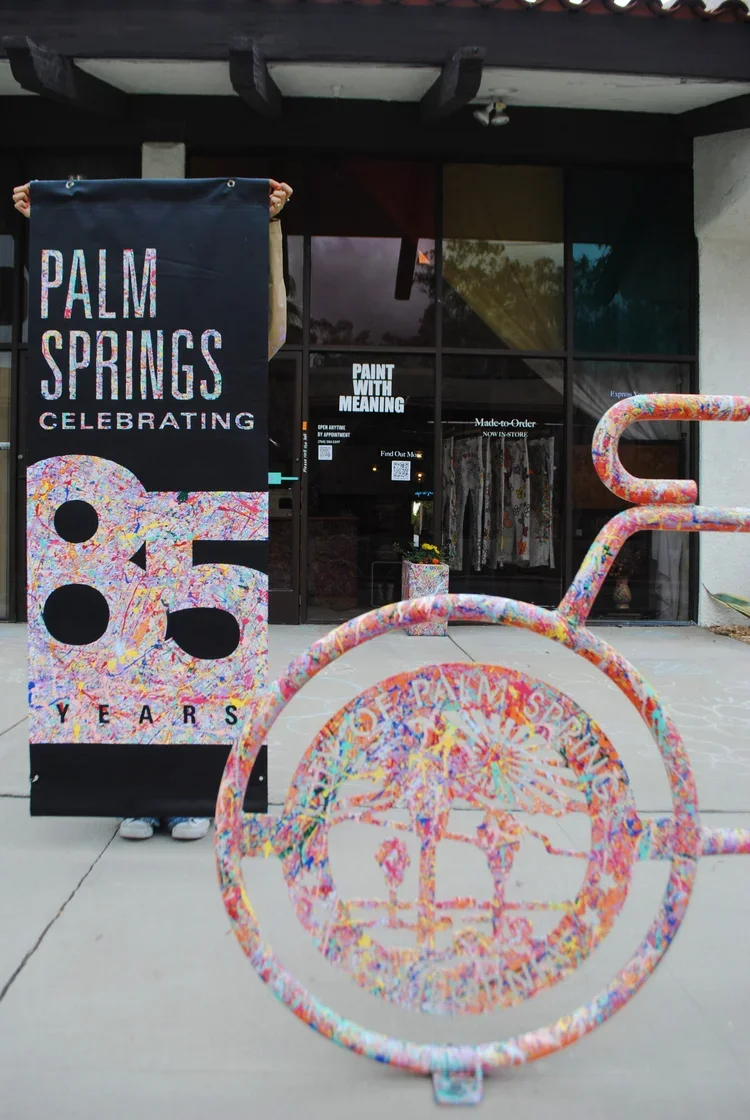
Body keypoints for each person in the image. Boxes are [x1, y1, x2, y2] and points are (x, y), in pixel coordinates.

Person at [13, 176, 292, 840]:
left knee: (193, 638)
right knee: (126, 645)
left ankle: (191, 792)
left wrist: (269, 229)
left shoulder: (219, 326)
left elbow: (270, 330)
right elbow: (56, 326)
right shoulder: (112, 334)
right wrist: (46, 225)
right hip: (120, 497)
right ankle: (137, 792)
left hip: (197, 495)